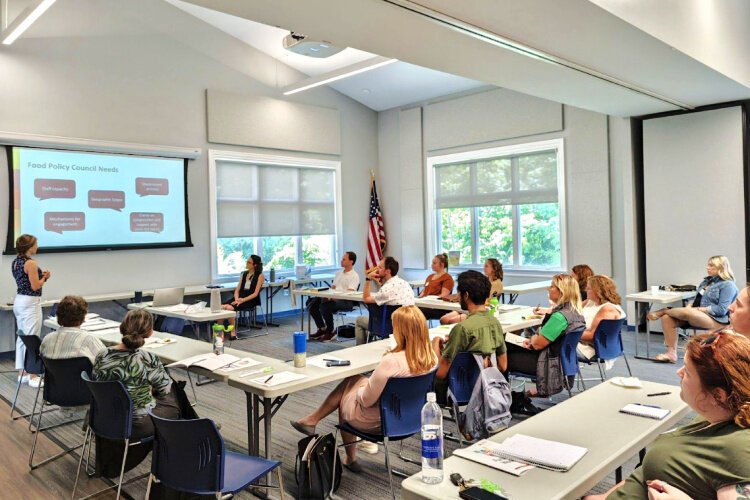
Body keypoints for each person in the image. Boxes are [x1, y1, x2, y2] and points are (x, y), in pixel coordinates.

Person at [585, 332, 750, 500]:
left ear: (718, 396)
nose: (679, 372)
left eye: (688, 372)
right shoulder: (717, 418)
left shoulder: (738, 451)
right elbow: (649, 473)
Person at [291, 305, 437, 473]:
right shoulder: (431, 357)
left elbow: (366, 400)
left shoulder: (391, 361)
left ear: (402, 331)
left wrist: (361, 388)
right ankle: (313, 421)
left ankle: (349, 456)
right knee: (355, 380)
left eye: (394, 326)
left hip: (381, 421)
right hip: (411, 419)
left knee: (348, 391)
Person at [93, 310, 184, 476]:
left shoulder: (101, 354)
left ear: (122, 327)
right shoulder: (147, 358)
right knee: (175, 392)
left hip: (104, 418)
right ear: (150, 332)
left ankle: (193, 429)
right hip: (136, 423)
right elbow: (164, 389)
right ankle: (191, 434)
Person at [506, 274, 584, 414]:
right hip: (561, 361)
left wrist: (533, 340)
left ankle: (502, 400)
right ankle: (509, 398)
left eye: (552, 286)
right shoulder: (574, 313)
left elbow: (537, 344)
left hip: (548, 364)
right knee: (508, 346)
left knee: (502, 354)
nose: (549, 289)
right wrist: (533, 340)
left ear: (562, 291)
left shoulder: (559, 317)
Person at [431, 270, 507, 405]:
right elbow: (503, 365)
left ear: (466, 295)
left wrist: (435, 343)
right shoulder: (495, 323)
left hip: (459, 390)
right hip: (486, 388)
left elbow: (441, 373)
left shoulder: (461, 329)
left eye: (459, 293)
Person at [647, 255, 738, 363]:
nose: (707, 268)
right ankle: (671, 354)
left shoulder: (728, 285)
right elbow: (697, 298)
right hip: (695, 315)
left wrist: (699, 309)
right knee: (667, 318)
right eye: (708, 265)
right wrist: (690, 305)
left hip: (716, 320)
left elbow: (721, 310)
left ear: (721, 267)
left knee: (686, 312)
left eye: (711, 265)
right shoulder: (706, 282)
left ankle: (663, 311)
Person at [12, 234, 50, 388]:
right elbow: (35, 286)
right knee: (32, 338)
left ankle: (23, 372)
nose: (37, 246)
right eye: (36, 243)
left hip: (20, 300)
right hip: (31, 303)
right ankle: (33, 375)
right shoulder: (31, 263)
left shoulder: (16, 262)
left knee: (23, 338)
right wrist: (46, 277)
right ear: (29, 247)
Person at [354, 256, 415, 345]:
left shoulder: (386, 290)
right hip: (409, 325)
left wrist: (368, 279)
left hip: (388, 326)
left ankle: (360, 349)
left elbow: (366, 298)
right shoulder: (406, 284)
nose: (377, 270)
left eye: (380, 267)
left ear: (388, 271)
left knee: (359, 320)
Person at [309, 251, 360, 342]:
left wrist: (334, 297)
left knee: (325, 306)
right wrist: (326, 295)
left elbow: (349, 293)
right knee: (311, 303)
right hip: (333, 298)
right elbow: (332, 288)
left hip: (346, 301)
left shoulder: (354, 276)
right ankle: (322, 329)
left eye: (344, 259)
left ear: (351, 262)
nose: (341, 261)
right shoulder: (338, 273)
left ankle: (330, 331)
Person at [41, 295, 106, 366]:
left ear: (58, 316)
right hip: (81, 376)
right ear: (83, 318)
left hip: (55, 376)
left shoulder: (47, 339)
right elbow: (106, 363)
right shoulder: (89, 340)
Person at [577, 275, 626, 363]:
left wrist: (566, 333)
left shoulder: (607, 309)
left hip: (595, 350)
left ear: (597, 291)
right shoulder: (590, 302)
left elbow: (593, 336)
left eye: (588, 288)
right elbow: (571, 310)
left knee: (552, 344)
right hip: (582, 342)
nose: (585, 291)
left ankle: (559, 376)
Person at [441, 258, 504, 325]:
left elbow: (486, 300)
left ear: (494, 269)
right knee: (444, 319)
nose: (484, 268)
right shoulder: (484, 281)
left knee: (451, 321)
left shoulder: (497, 283)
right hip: (469, 305)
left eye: (486, 266)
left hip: (479, 309)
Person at [221, 254, 265, 338]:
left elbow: (255, 294)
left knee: (229, 308)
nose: (246, 263)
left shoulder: (260, 276)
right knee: (221, 306)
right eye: (247, 261)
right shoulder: (244, 274)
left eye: (249, 262)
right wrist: (237, 299)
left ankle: (232, 332)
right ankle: (220, 331)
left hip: (251, 300)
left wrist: (242, 300)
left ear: (254, 265)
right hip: (239, 297)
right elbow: (237, 290)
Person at [418, 253, 455, 320]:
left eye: (434, 263)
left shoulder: (447, 278)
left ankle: (418, 329)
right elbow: (423, 292)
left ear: (442, 265)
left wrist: (429, 300)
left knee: (417, 313)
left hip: (436, 307)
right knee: (408, 310)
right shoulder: (430, 277)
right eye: (432, 263)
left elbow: (443, 295)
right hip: (424, 303)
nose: (432, 265)